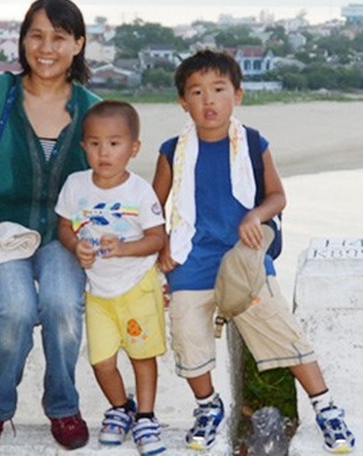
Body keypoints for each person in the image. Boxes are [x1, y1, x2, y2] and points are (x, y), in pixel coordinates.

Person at [151, 48, 356, 453]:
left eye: (218, 89)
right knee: (187, 330)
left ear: (238, 95)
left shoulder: (253, 143)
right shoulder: (172, 150)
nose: (208, 100)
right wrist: (160, 248)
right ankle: (208, 405)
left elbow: (278, 196)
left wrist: (255, 216)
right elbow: (153, 209)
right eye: (196, 91)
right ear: (182, 101)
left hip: (244, 257)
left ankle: (326, 407)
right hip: (192, 256)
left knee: (279, 325)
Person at [0, 0, 101, 454]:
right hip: (3, 234)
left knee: (62, 305)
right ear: (22, 40)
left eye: (60, 37)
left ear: (78, 44)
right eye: (36, 35)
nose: (46, 47)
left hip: (63, 236)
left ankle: (63, 405)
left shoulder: (92, 109)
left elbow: (107, 180)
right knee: (15, 311)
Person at [56, 101, 168, 455]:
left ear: (133, 148)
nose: (104, 152)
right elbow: (64, 226)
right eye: (94, 143)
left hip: (136, 286)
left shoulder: (139, 191)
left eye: (115, 143)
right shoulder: (76, 185)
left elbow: (156, 238)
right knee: (101, 361)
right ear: (84, 146)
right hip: (98, 292)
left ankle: (147, 416)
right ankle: (121, 408)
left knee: (141, 354)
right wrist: (76, 246)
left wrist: (123, 248)